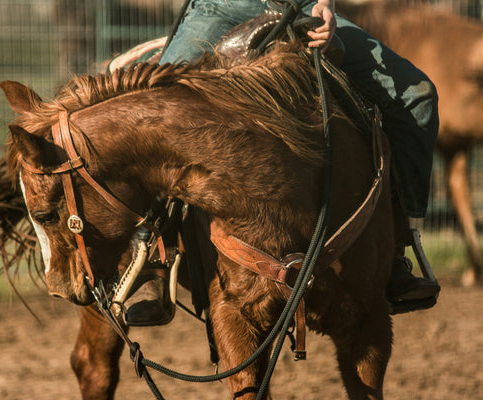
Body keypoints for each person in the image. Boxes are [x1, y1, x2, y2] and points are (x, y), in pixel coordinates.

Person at [124, 0, 440, 325]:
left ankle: (397, 254)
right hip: (220, 8)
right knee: (150, 106)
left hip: (301, 5)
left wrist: (325, 5)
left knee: (416, 97)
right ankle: (150, 261)